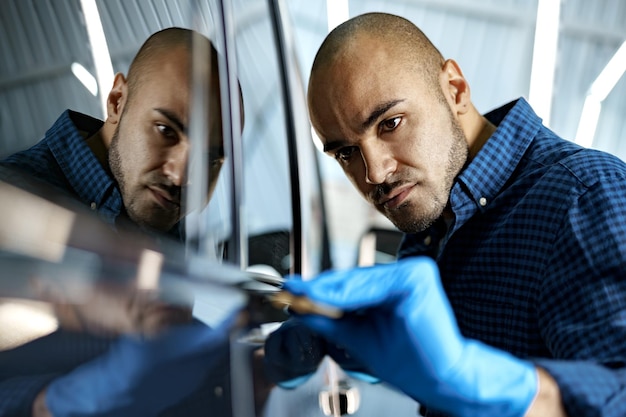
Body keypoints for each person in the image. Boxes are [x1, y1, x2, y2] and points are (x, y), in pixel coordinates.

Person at [265, 11, 626, 417]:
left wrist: (491, 385)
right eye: (346, 153)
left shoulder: (584, 194)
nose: (374, 173)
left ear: (455, 90)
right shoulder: (435, 222)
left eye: (391, 123)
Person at [0, 27, 237, 416]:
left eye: (211, 159)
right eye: (166, 130)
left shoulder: (166, 223)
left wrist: (258, 371)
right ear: (116, 101)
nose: (182, 177)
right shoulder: (15, 202)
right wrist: (47, 404)